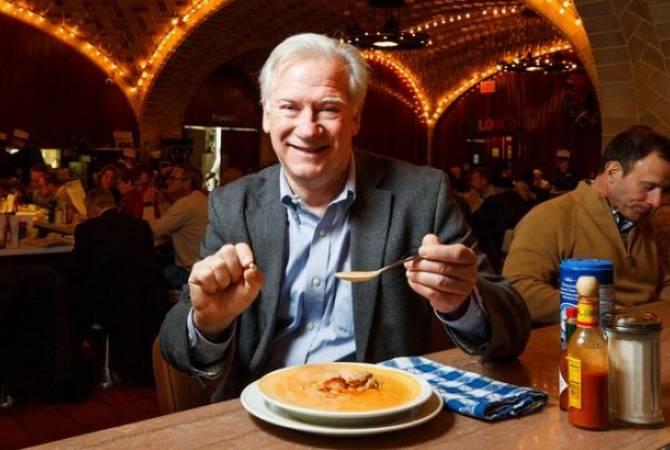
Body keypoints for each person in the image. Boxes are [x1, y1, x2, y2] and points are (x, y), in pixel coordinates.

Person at [159, 33, 530, 401]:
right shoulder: (232, 205)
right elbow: (175, 346)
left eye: (329, 108)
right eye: (289, 107)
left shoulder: (421, 195)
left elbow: (512, 329)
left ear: (355, 119)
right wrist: (209, 322)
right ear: (266, 116)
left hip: (377, 416)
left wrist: (463, 301)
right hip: (263, 415)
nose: (307, 128)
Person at [503, 125, 670, 324]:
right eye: (648, 187)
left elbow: (664, 282)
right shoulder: (551, 216)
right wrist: (603, 313)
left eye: (662, 189)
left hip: (646, 334)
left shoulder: (642, 220)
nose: (656, 201)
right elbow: (518, 290)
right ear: (613, 172)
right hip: (580, 340)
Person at [70, 188, 167, 384]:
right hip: (143, 298)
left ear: (93, 207)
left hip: (104, 300)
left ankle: (79, 350)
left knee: (72, 289)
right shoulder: (140, 227)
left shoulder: (86, 229)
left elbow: (77, 268)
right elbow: (152, 262)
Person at [147, 164, 208, 289]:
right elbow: (170, 225)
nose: (168, 182)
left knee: (147, 276)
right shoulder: (200, 198)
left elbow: (151, 230)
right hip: (204, 268)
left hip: (189, 273)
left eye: (173, 179)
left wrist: (147, 203)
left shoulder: (186, 204)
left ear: (187, 183)